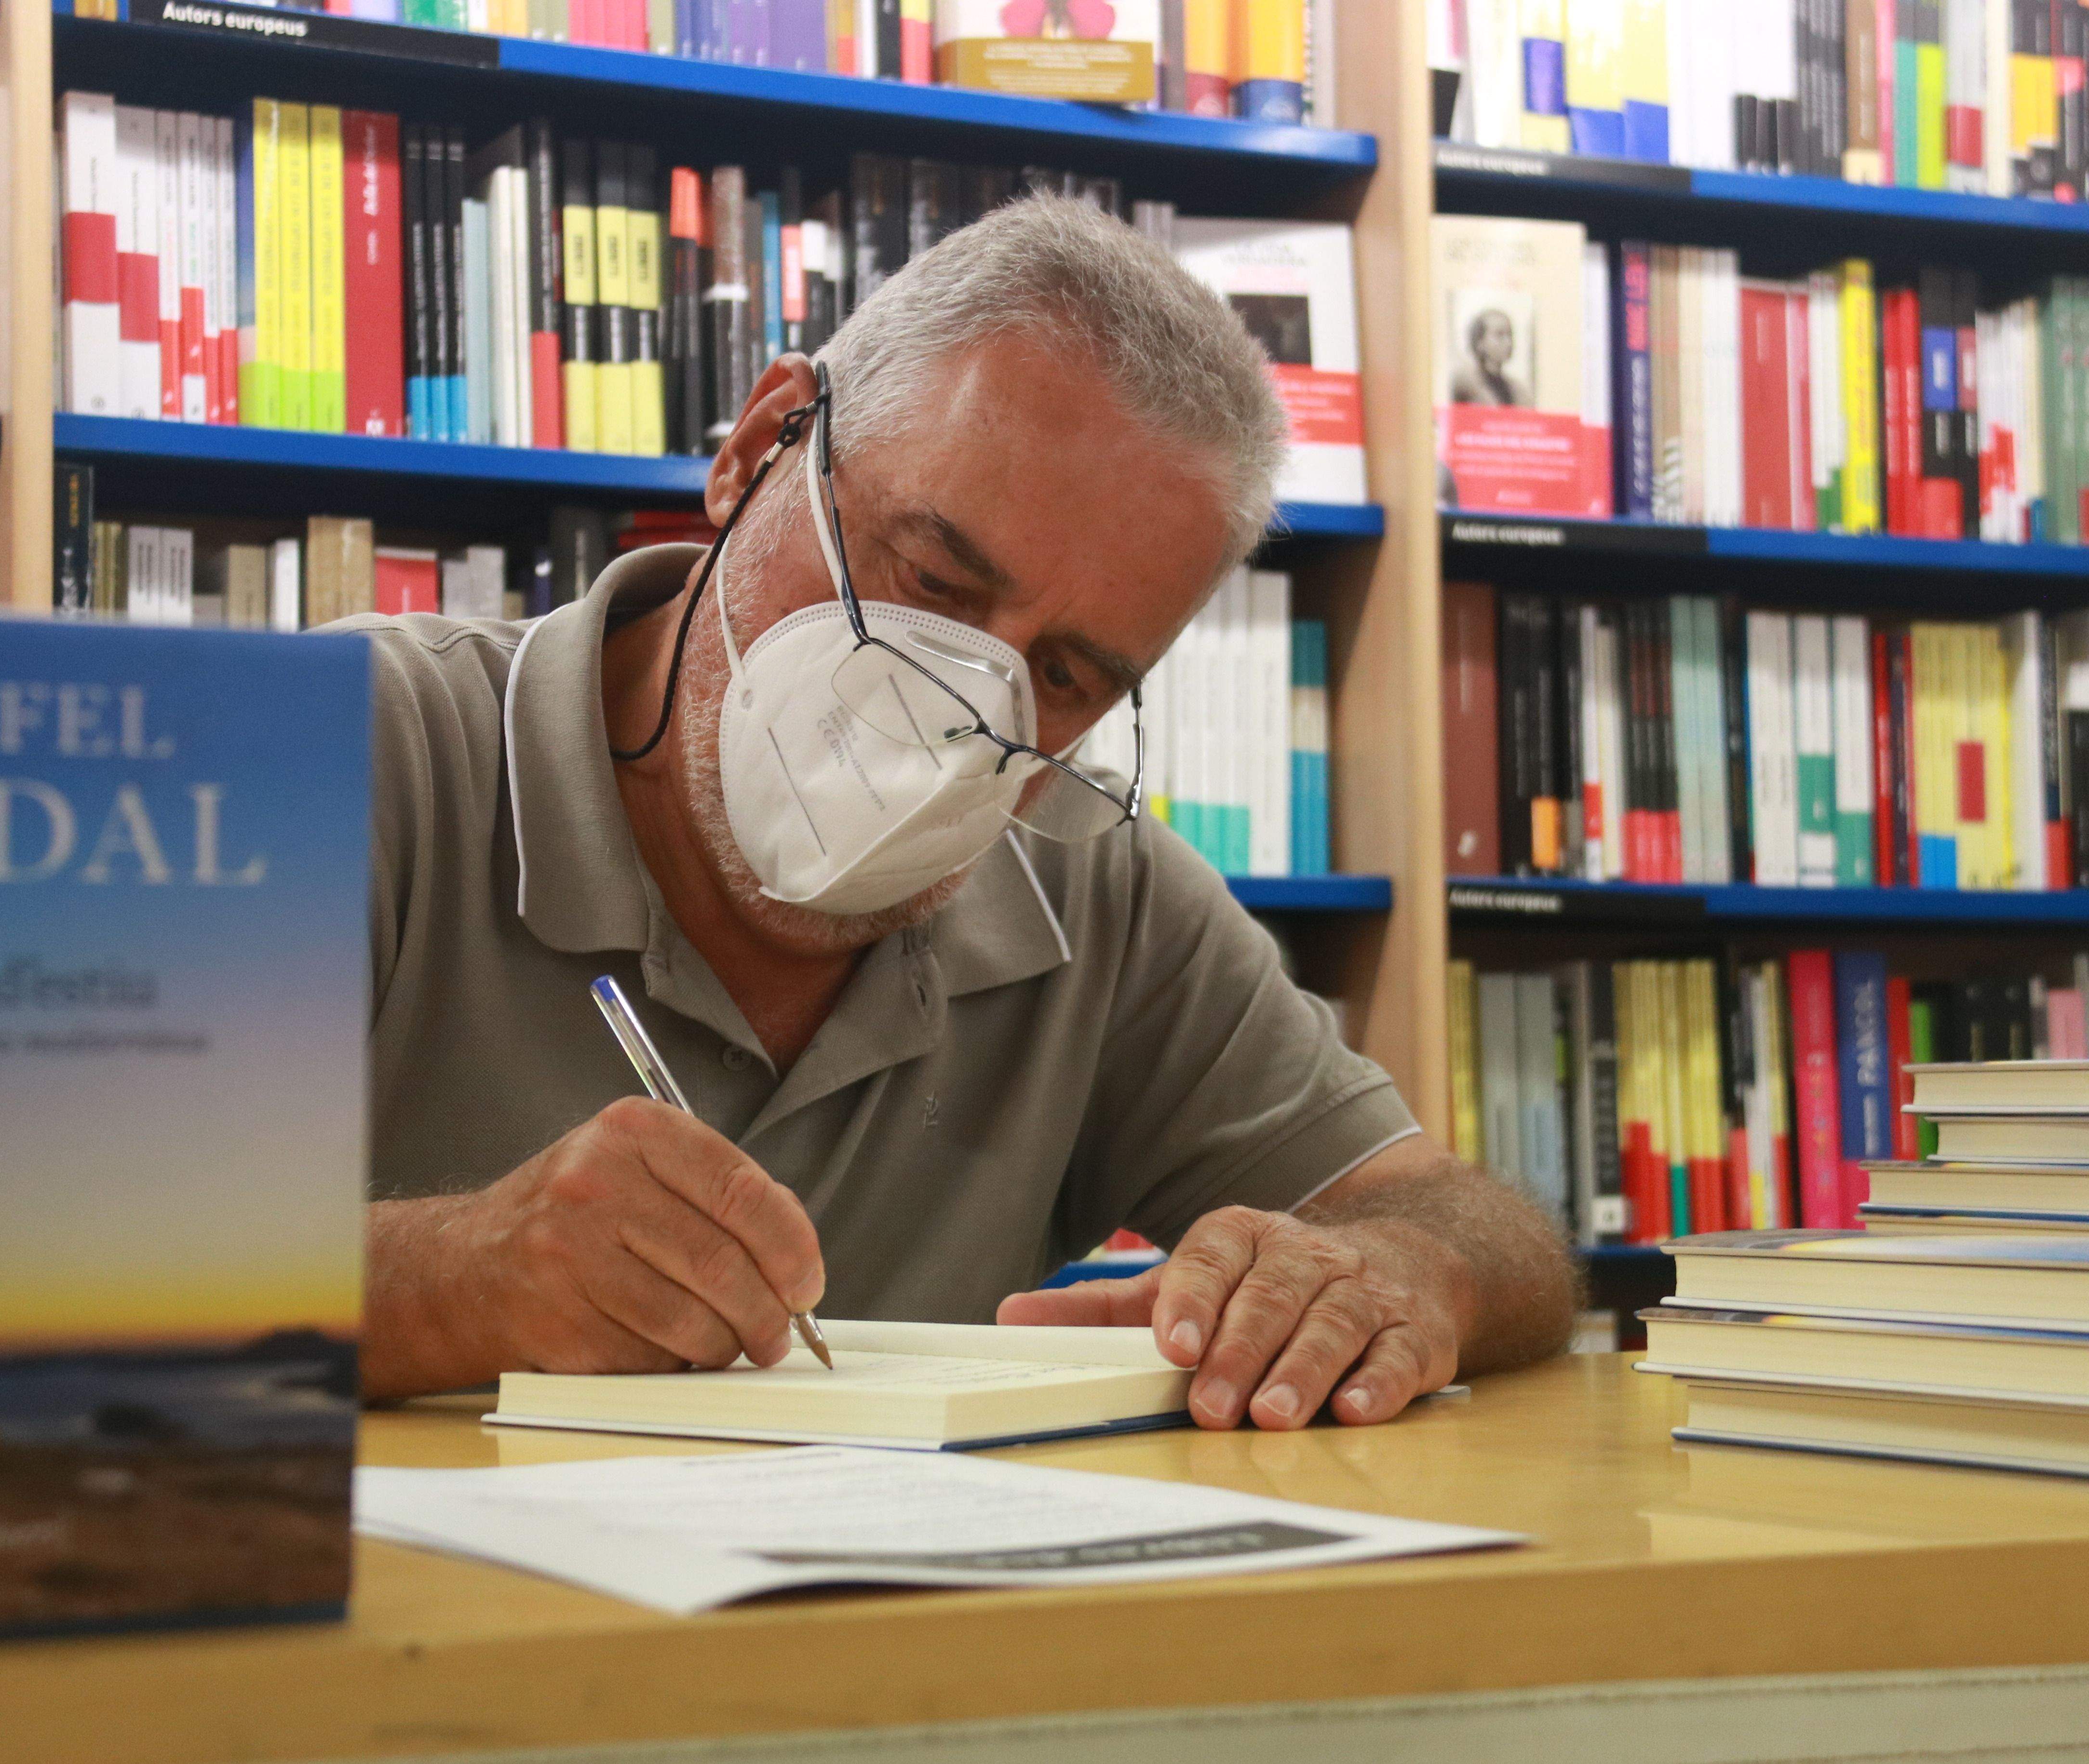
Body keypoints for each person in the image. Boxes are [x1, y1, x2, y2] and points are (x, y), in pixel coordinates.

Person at [352, 195, 1575, 1430]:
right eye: (932, 582)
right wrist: (460, 1279)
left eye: (1065, 676)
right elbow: (144, 1253)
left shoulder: (1097, 893)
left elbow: (1477, 1226)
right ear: (763, 445)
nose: (956, 704)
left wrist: (1403, 1275)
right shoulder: (371, 744)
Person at [1447, 307, 1529, 407]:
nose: (1508, 343)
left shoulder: (1518, 390)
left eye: (1510, 335)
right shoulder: (1464, 383)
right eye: (1500, 335)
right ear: (1480, 342)